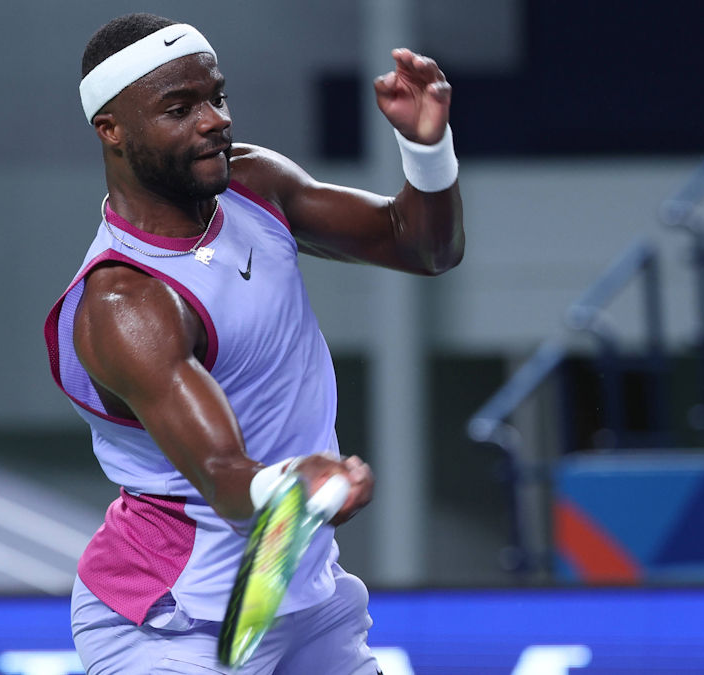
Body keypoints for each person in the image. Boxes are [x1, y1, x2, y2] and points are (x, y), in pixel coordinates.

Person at [43, 12, 463, 674]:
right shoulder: (128, 303)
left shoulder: (253, 185)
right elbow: (223, 477)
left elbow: (422, 246)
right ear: (112, 130)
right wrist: (296, 481)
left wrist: (428, 149)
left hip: (303, 593)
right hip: (171, 619)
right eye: (180, 108)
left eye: (216, 96)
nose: (213, 119)